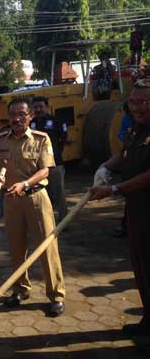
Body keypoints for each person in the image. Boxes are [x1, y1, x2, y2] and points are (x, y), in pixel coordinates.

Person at [0, 97, 66, 316]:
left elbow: (46, 170)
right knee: (16, 247)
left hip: (36, 197)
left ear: (30, 116)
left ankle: (56, 295)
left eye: (21, 114)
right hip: (11, 198)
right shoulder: (0, 139)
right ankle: (20, 289)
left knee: (46, 247)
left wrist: (25, 183)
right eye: (12, 114)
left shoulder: (41, 139)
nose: (16, 119)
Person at [90, 79, 150, 351]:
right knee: (140, 264)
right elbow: (123, 155)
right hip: (136, 209)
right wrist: (105, 166)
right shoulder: (137, 129)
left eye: (144, 102)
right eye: (134, 102)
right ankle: (147, 319)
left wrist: (115, 188)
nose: (138, 107)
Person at [31, 96, 68, 222]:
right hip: (38, 167)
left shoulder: (57, 121)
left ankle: (64, 220)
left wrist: (55, 155)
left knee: (59, 193)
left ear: (47, 106)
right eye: (35, 107)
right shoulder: (31, 123)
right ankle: (47, 220)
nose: (38, 109)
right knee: (43, 194)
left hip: (55, 164)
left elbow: (63, 139)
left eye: (40, 106)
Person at [113, 102, 135, 238]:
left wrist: (114, 188)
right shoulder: (128, 120)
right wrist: (106, 167)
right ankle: (126, 227)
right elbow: (122, 136)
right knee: (131, 202)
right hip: (131, 168)